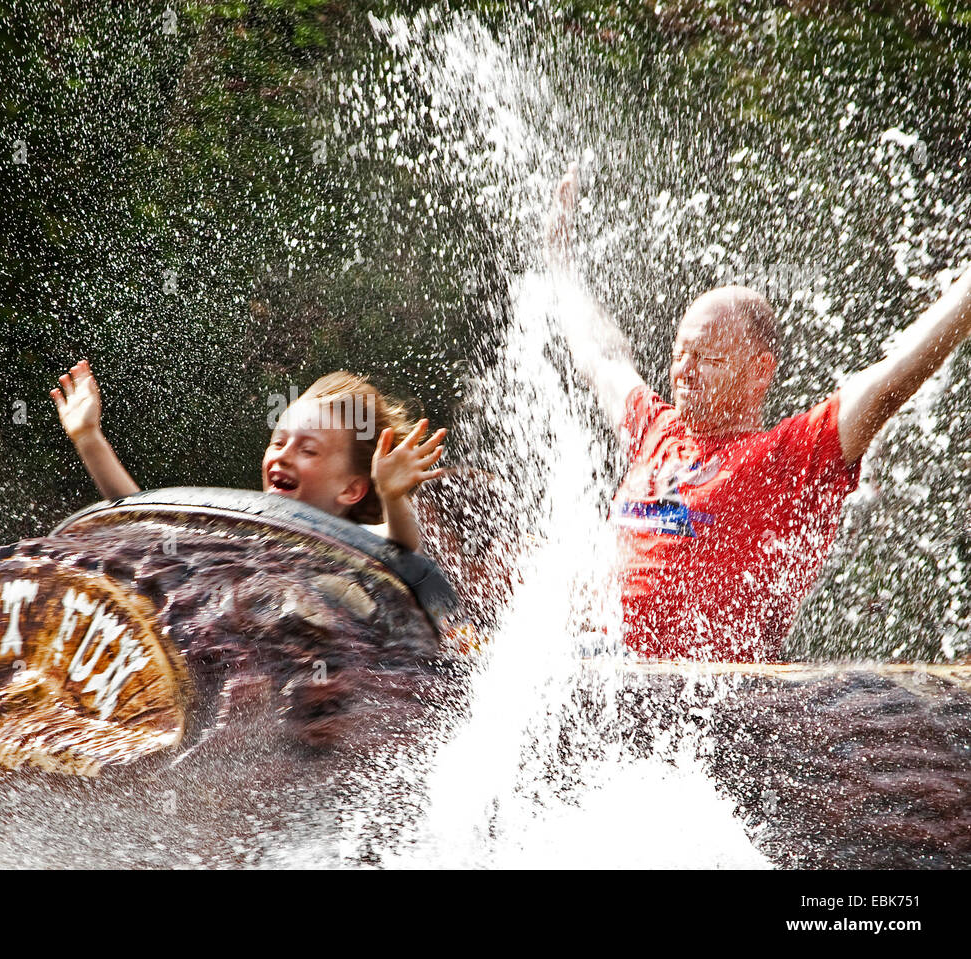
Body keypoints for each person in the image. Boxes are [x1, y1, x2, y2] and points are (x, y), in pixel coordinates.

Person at [545, 164, 971, 661]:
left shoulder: (789, 456)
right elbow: (602, 357)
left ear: (758, 372)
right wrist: (561, 271)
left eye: (708, 357)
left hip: (713, 702)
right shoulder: (655, 427)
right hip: (604, 667)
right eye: (680, 353)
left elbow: (888, 385)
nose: (685, 369)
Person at [51, 361, 447, 552]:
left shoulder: (361, 545)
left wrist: (393, 496)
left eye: (308, 450)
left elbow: (402, 548)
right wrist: (89, 438)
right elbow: (147, 523)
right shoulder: (239, 531)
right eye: (278, 442)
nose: (284, 456)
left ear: (352, 489)